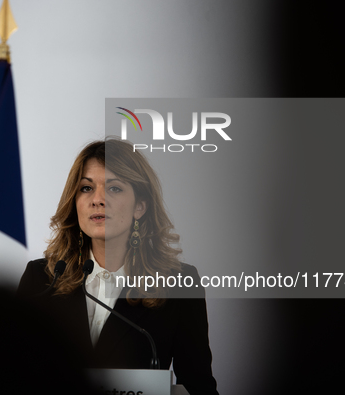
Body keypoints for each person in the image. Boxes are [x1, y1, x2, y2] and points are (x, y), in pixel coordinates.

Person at [18, 138, 218, 395]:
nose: (98, 199)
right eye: (86, 188)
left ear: (140, 206)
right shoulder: (41, 279)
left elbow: (199, 386)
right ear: (75, 201)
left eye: (114, 188)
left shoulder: (178, 283)